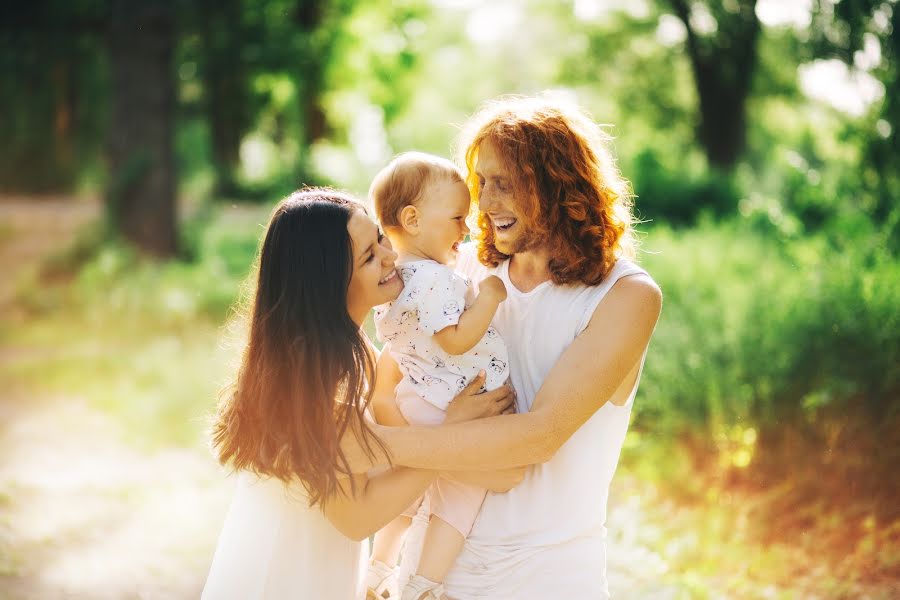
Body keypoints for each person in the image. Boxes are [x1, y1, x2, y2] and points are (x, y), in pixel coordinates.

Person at [369, 94, 663, 599]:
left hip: (547, 580)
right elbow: (389, 387)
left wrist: (370, 447)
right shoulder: (458, 274)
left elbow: (536, 437)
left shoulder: (625, 296)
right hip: (431, 574)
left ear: (557, 182)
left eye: (504, 184)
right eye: (481, 183)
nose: (484, 203)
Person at [201, 189, 523, 600]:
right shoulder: (316, 376)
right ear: (328, 281)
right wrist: (450, 434)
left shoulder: (350, 352)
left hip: (312, 566)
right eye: (369, 257)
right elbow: (357, 516)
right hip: (283, 574)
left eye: (381, 239)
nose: (390, 257)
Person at [364, 153, 510, 600]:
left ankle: (378, 568)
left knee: (409, 496)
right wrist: (488, 296)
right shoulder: (434, 280)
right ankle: (423, 586)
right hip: (447, 400)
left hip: (419, 394)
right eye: (457, 218)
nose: (465, 229)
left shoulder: (393, 279)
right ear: (411, 219)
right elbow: (455, 339)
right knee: (458, 498)